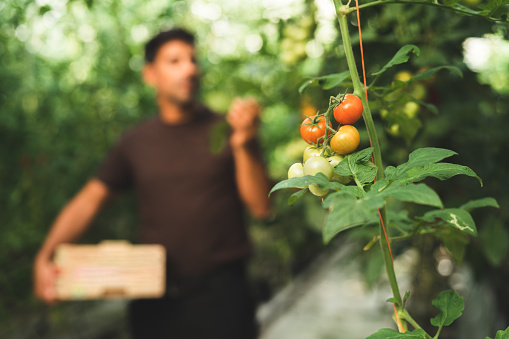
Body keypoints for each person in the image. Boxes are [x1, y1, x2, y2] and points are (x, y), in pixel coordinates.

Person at [33, 28, 272, 339]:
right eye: (174, 61)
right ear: (150, 74)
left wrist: (245, 144)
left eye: (193, 60)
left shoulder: (226, 131)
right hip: (156, 299)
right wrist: (46, 255)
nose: (189, 68)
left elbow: (261, 206)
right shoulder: (135, 143)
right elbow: (89, 201)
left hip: (223, 297)